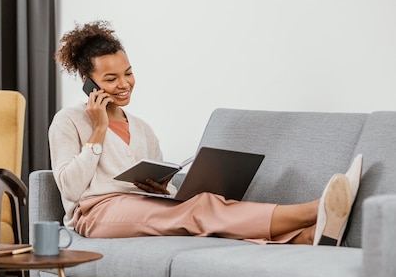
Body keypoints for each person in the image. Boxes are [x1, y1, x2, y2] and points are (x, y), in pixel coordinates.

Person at [48, 20, 363, 245]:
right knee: (199, 210)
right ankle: (313, 209)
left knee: (204, 201)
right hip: (96, 214)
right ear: (88, 82)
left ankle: (305, 237)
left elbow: (157, 191)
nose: (124, 84)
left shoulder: (143, 129)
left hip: (140, 207)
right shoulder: (69, 120)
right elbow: (70, 190)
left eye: (128, 73)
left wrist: (162, 190)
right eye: (110, 78)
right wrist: (99, 129)